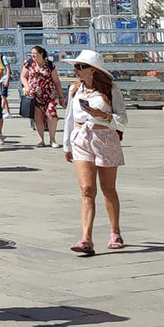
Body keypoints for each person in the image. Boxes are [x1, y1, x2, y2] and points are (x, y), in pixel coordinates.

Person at [62, 50, 127, 254]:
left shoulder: (110, 90)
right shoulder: (75, 90)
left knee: (108, 188)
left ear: (93, 70)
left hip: (105, 138)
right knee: (87, 189)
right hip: (81, 138)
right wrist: (67, 144)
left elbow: (123, 120)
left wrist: (103, 116)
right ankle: (86, 238)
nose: (76, 70)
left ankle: (115, 231)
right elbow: (69, 119)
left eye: (81, 66)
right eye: (76, 66)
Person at [21, 46, 64, 147]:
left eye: (35, 53)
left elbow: (57, 82)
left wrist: (61, 97)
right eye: (31, 53)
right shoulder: (29, 64)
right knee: (38, 118)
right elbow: (23, 77)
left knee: (51, 115)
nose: (32, 55)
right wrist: (27, 87)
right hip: (35, 95)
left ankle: (52, 139)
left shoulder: (49, 65)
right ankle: (41, 140)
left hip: (49, 95)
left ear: (41, 54)